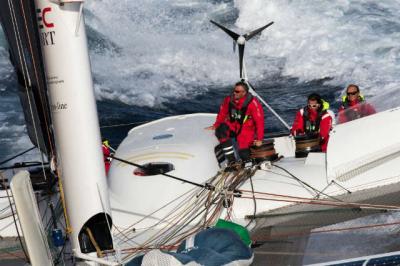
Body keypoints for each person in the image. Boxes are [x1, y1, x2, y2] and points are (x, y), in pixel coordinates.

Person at [206, 81, 264, 162]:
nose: (234, 93)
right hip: (233, 126)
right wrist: (216, 125)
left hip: (246, 129)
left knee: (244, 154)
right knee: (220, 130)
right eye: (234, 90)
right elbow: (222, 113)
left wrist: (259, 139)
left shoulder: (253, 103)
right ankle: (232, 161)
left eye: (237, 91)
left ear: (244, 92)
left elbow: (259, 122)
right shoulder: (229, 99)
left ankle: (248, 162)